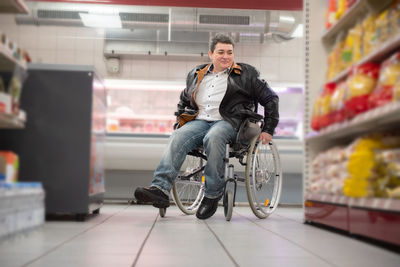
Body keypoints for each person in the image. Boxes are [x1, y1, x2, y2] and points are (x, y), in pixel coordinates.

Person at [134, 33, 279, 220]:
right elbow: (184, 99)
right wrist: (180, 121)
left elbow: (271, 99)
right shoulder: (196, 74)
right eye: (221, 52)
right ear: (211, 54)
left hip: (231, 122)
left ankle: (212, 194)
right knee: (177, 136)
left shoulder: (247, 74)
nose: (225, 56)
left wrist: (268, 129)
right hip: (200, 121)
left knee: (214, 137)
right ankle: (160, 189)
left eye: (229, 52)